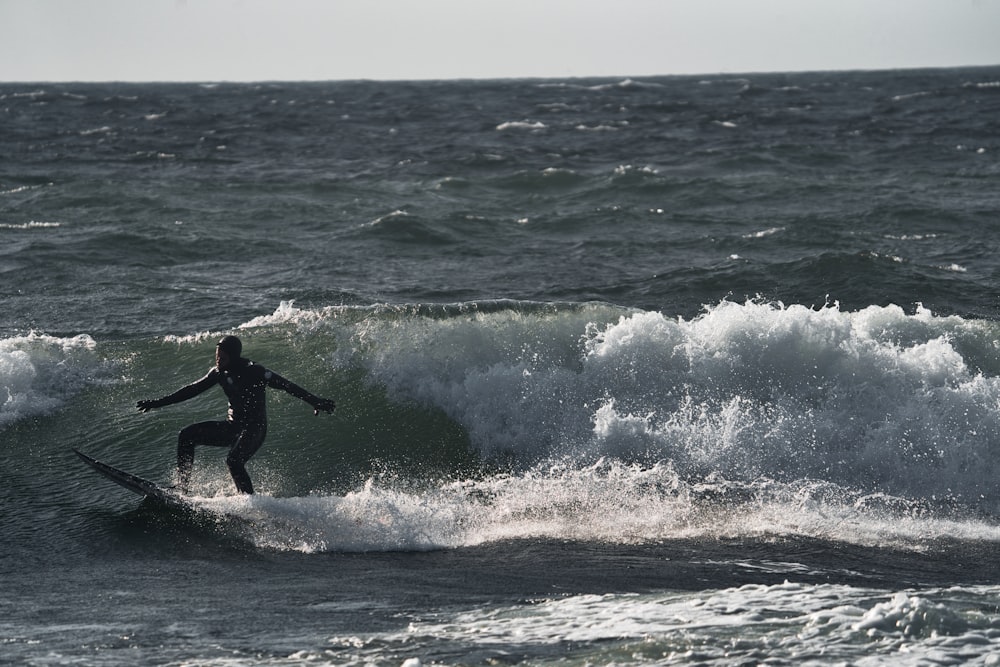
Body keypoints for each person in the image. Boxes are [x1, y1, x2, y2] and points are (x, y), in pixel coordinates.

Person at [136, 335, 336, 495]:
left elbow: (286, 385)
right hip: (233, 427)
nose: (218, 360)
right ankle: (182, 488)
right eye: (217, 356)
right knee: (186, 436)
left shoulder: (254, 371)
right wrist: (156, 403)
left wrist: (314, 401)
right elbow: (191, 390)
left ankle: (249, 504)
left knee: (234, 461)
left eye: (222, 357)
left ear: (233, 356)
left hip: (255, 428)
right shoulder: (218, 373)